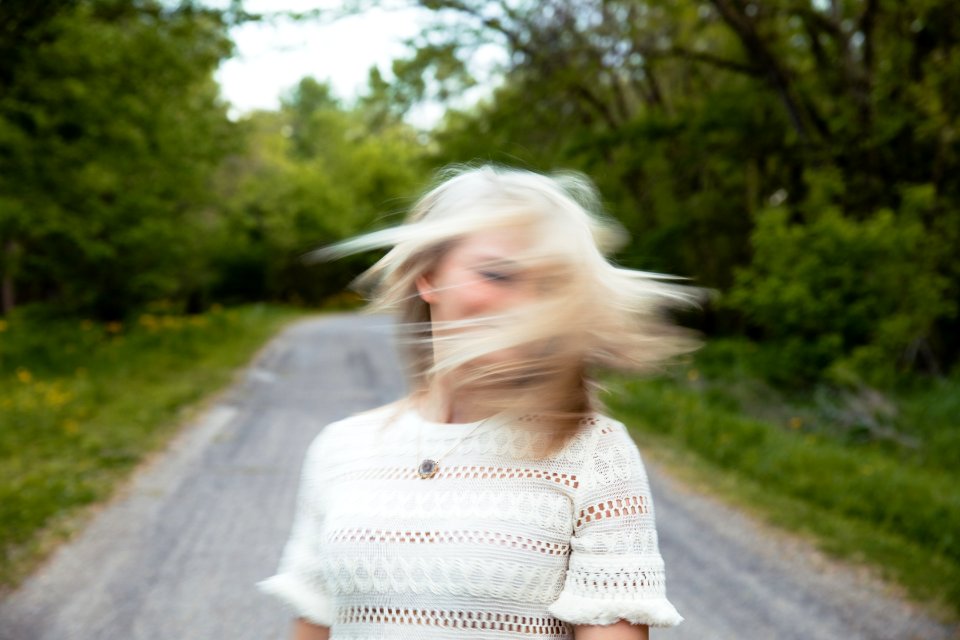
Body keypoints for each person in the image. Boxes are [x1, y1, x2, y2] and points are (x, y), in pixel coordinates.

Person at [257, 165, 705, 639]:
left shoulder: (596, 456)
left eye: (548, 286)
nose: (524, 304)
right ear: (428, 276)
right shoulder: (339, 449)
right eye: (496, 274)